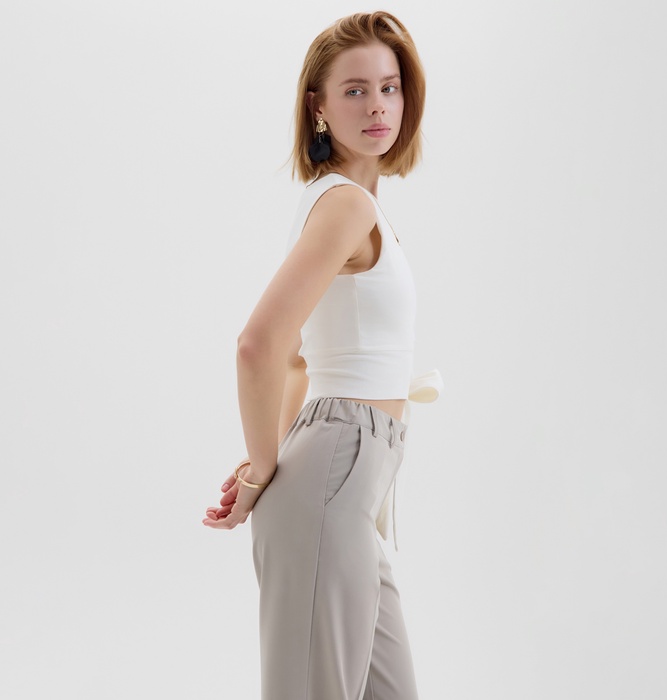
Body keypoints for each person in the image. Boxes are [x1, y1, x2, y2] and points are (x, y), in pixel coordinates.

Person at [203, 11, 434, 700]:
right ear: (318, 107)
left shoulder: (350, 206)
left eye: (389, 87)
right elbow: (258, 345)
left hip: (347, 483)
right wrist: (261, 469)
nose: (377, 106)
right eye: (355, 90)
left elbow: (300, 362)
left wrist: (273, 465)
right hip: (335, 473)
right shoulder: (345, 207)